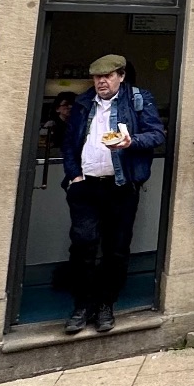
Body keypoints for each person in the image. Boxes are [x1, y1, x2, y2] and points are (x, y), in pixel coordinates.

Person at [60, 54, 164, 336]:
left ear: (121, 76)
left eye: (107, 77)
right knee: (83, 245)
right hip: (86, 185)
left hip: (121, 186)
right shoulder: (83, 103)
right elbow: (69, 143)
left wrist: (132, 141)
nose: (101, 82)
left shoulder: (138, 99)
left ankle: (105, 304)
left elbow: (157, 135)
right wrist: (75, 175)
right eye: (96, 77)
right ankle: (82, 305)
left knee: (116, 249)